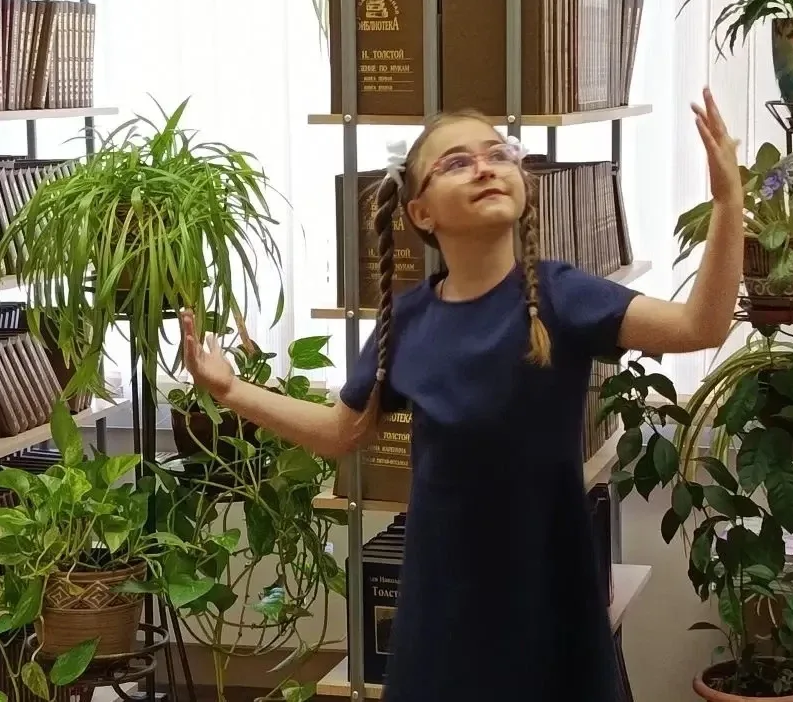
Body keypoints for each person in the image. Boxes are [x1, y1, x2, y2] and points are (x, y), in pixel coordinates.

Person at [180, 87, 743, 702]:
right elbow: (341, 432)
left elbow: (701, 326)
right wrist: (230, 389)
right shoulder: (408, 321)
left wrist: (727, 201)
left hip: (548, 596)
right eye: (456, 162)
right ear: (422, 213)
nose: (484, 167)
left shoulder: (562, 295)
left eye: (498, 154)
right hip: (441, 605)